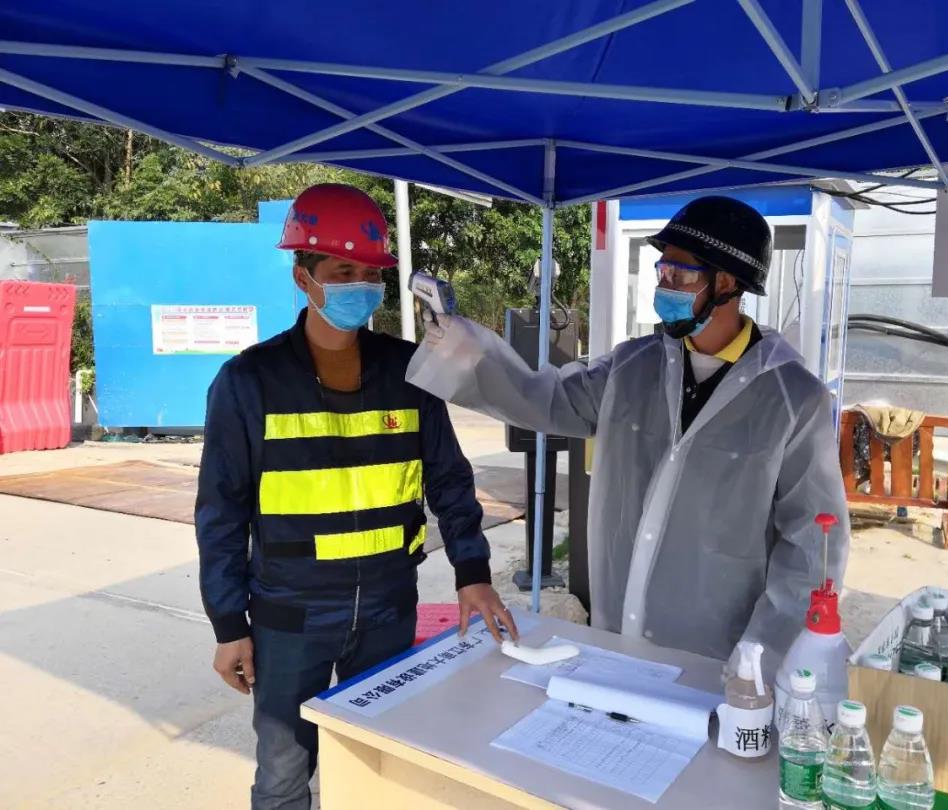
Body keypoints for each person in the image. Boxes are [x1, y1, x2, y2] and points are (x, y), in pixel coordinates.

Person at [407, 196, 849, 675]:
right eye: (663, 270)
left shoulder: (792, 398)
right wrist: (460, 343)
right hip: (618, 633)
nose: (665, 285)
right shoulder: (633, 366)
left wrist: (761, 656)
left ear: (727, 283)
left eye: (681, 274)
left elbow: (813, 547)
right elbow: (545, 399)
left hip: (721, 659)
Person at [196, 183, 516, 810]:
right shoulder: (248, 381)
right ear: (303, 277)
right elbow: (221, 514)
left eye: (370, 273)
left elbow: (449, 480)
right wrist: (229, 624)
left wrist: (473, 573)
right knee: (284, 777)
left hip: (388, 610)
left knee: (381, 769)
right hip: (290, 617)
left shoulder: (409, 371)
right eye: (343, 272)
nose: (361, 286)